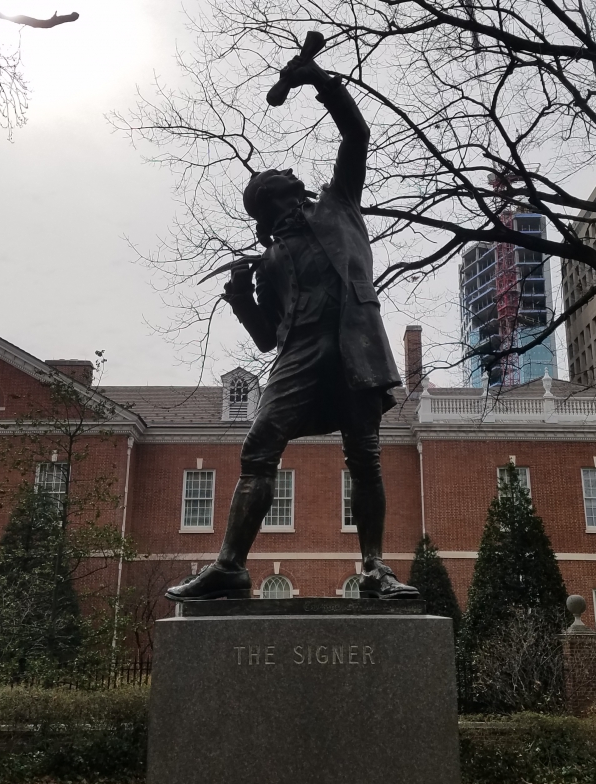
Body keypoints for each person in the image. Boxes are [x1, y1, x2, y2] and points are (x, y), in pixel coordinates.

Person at [165, 55, 418, 602]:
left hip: (353, 348)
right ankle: (231, 567)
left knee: (365, 457)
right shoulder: (271, 261)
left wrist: (319, 80)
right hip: (298, 355)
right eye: (277, 181)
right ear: (267, 202)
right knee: (258, 449)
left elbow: (357, 133)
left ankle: (375, 567)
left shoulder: (339, 205)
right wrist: (239, 298)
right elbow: (267, 338)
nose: (289, 178)